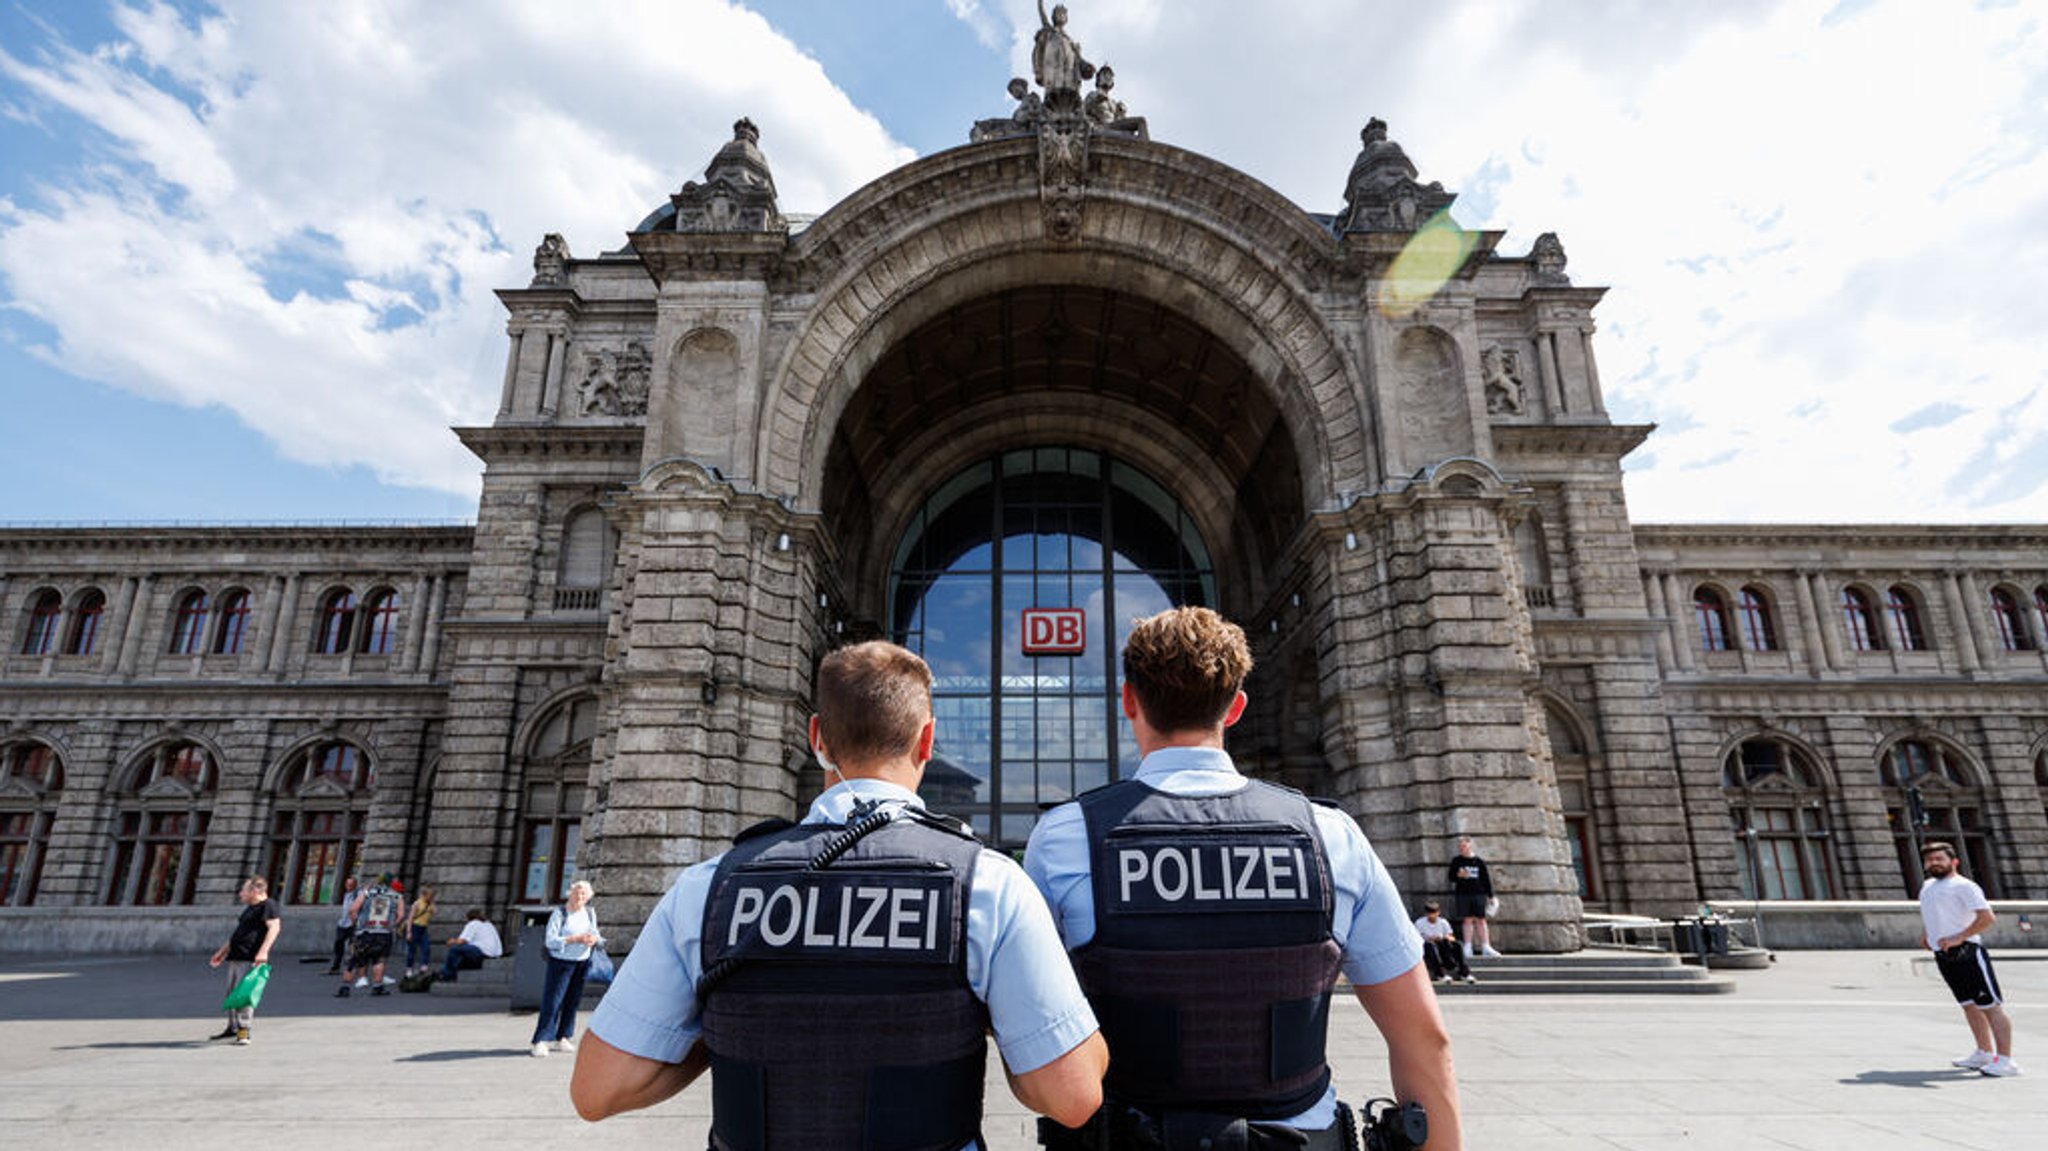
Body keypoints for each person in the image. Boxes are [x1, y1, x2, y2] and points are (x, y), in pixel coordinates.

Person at [570, 640, 1109, 1148]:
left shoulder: (711, 886)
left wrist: (719, 1030)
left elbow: (598, 1090)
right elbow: (1073, 1096)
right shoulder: (987, 884)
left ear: (817, 739)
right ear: (927, 740)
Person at [1026, 606, 1461, 1150]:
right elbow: (1424, 1037)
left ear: (1128, 700)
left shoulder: (1066, 837)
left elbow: (1037, 1036)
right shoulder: (1330, 837)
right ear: (1235, 709)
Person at [1919, 841, 2021, 1077]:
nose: (1934, 863)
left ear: (1954, 862)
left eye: (1939, 859)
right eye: (1930, 860)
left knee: (1991, 1006)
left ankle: (2006, 1060)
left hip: (1968, 952)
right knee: (1969, 1005)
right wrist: (1927, 934)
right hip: (1943, 954)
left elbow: (1987, 918)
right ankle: (1984, 1053)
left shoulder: (1965, 886)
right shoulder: (1928, 886)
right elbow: (1933, 913)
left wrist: (1959, 937)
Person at [531, 880, 602, 1057]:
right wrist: (575, 939)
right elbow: (551, 941)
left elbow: (596, 934)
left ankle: (563, 1036)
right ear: (570, 894)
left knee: (572, 1001)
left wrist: (595, 940)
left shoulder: (590, 913)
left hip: (582, 961)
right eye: (577, 893)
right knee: (553, 1001)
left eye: (584, 894)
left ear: (589, 897)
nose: (580, 897)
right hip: (561, 962)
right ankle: (541, 1040)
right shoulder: (560, 913)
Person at [208, 875, 280, 1046]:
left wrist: (263, 952)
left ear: (254, 891)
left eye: (243, 890)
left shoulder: (268, 905)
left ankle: (244, 1031)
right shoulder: (250, 909)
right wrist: (222, 952)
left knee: (244, 995)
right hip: (237, 956)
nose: (240, 894)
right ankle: (232, 1027)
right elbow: (238, 934)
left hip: (251, 957)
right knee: (232, 994)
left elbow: (274, 928)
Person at [337, 871, 405, 997]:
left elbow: (353, 910)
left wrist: (356, 923)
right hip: (384, 932)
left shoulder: (367, 893)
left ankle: (345, 987)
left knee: (354, 959)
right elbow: (400, 915)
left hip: (365, 931)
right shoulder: (397, 896)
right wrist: (392, 925)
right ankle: (377, 986)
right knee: (379, 959)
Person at [1448, 838, 1500, 958]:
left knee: (1481, 919)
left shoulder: (1479, 861)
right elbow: (1451, 877)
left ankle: (1486, 946)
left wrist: (1491, 895)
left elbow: (1486, 879)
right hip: (1463, 893)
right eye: (1460, 847)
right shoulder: (1456, 861)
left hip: (1478, 893)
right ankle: (1467, 946)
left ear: (1470, 847)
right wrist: (1458, 875)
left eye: (1464, 846)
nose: (1462, 849)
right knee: (1467, 919)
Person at [439, 907, 505, 981]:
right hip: (495, 954)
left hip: (482, 952)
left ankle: (447, 974)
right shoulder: (489, 924)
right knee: (462, 952)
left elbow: (461, 941)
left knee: (454, 948)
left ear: (469, 918)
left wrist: (451, 941)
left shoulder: (473, 924)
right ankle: (449, 971)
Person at [1416, 901, 1473, 985]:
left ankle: (1464, 972)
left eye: (1434, 913)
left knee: (1458, 944)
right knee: (1431, 945)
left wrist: (1444, 937)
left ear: (1438, 912)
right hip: (1428, 947)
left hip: (1442, 945)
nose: (1432, 915)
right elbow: (1416, 938)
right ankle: (1440, 973)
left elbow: (1451, 937)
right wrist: (1429, 938)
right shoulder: (1420, 923)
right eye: (1430, 913)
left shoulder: (1443, 922)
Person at [327, 874, 358, 975]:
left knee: (353, 946)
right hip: (342, 923)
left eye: (351, 884)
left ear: (354, 885)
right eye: (347, 884)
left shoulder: (357, 895)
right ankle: (336, 966)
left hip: (352, 923)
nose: (348, 886)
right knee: (338, 944)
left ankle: (351, 968)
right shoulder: (346, 894)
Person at [405, 884, 437, 977]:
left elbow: (435, 912)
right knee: (412, 950)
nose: (432, 897)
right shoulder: (417, 903)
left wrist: (432, 902)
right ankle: (409, 968)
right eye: (431, 896)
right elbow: (410, 918)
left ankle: (424, 967)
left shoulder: (429, 904)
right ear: (425, 894)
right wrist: (409, 932)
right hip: (415, 927)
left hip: (423, 928)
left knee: (426, 948)